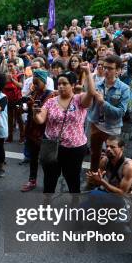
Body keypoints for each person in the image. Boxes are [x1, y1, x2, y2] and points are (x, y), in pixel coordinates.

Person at [34, 65, 95, 193]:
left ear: (73, 85)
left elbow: (91, 93)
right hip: (52, 146)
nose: (61, 86)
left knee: (73, 179)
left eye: (64, 83)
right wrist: (35, 113)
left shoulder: (79, 100)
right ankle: (46, 206)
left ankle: (75, 205)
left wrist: (88, 72)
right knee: (49, 179)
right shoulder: (51, 101)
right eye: (59, 83)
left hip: (75, 149)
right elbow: (40, 120)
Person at [87, 55, 131, 175]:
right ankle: (92, 178)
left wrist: (103, 102)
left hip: (112, 128)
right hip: (96, 125)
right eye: (105, 67)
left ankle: (109, 181)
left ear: (118, 70)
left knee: (112, 156)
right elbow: (87, 104)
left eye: (110, 68)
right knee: (94, 154)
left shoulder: (124, 88)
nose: (106, 70)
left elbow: (120, 113)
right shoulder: (96, 85)